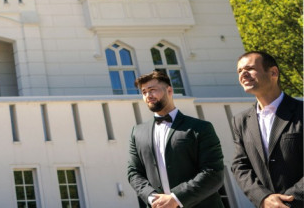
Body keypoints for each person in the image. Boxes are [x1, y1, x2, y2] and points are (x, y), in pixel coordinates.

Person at [127, 70, 225, 208]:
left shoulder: (201, 128)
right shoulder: (137, 133)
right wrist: (152, 197)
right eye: (144, 92)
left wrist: (176, 198)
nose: (148, 95)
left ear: (169, 90)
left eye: (152, 90)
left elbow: (213, 173)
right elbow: (133, 172)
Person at [231, 51, 303, 208]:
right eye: (240, 71)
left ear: (273, 72)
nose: (243, 74)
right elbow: (240, 166)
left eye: (249, 68)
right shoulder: (240, 121)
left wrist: (288, 201)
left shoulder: (301, 112)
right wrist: (263, 198)